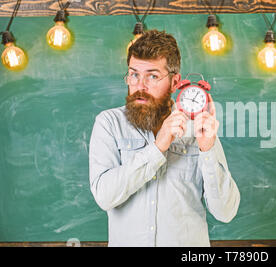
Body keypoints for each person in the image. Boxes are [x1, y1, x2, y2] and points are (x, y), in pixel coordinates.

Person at [88, 29, 240, 247]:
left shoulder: (198, 128)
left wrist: (208, 149)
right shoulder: (109, 123)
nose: (140, 86)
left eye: (152, 76)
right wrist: (158, 148)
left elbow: (225, 212)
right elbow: (105, 196)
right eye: (134, 74)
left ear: (175, 82)